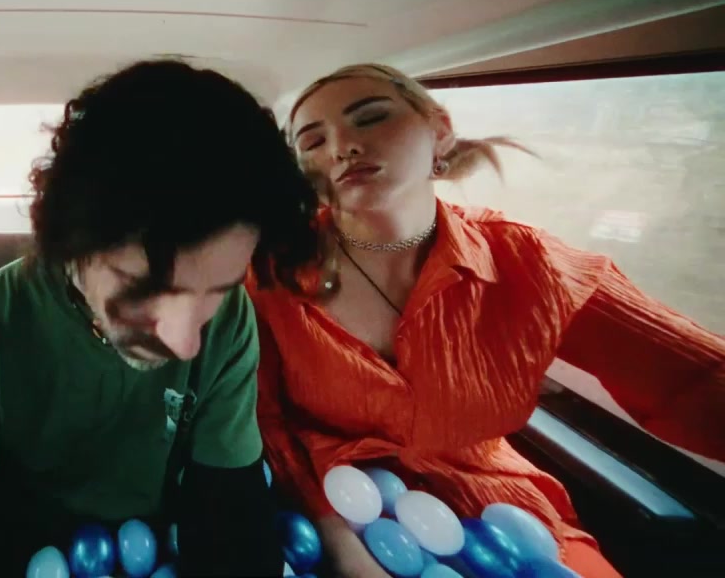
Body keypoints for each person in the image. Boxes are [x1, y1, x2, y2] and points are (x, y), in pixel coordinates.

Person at [249, 63, 725, 578]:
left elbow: (695, 381)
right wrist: (339, 540)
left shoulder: (531, 263)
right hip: (329, 507)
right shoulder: (267, 274)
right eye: (313, 141)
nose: (342, 148)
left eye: (369, 118)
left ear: (440, 131)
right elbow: (266, 420)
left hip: (504, 517)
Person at [0, 60, 320, 577]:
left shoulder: (231, 321)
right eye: (145, 289)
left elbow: (229, 506)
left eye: (218, 289)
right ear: (70, 242)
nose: (185, 342)